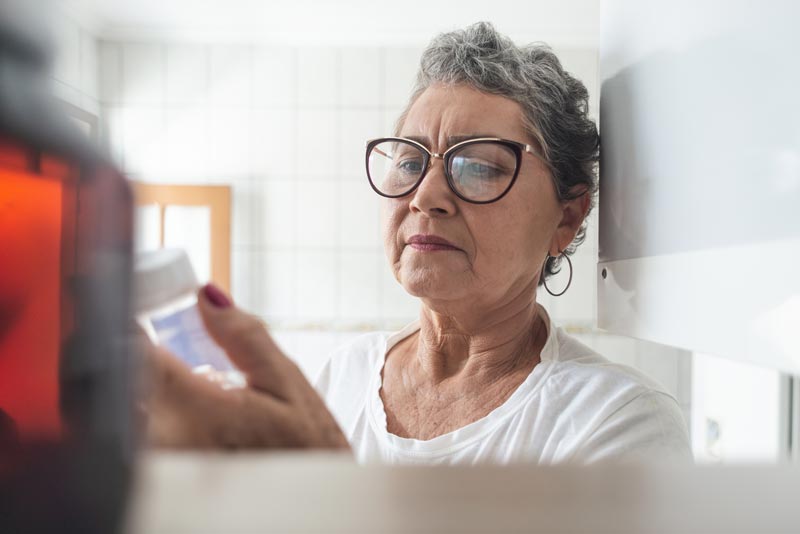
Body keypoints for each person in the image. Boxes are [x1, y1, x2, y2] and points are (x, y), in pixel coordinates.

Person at [144, 22, 691, 464]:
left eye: (478, 167)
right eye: (409, 160)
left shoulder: (616, 421)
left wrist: (319, 472)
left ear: (566, 218)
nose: (426, 196)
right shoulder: (345, 375)